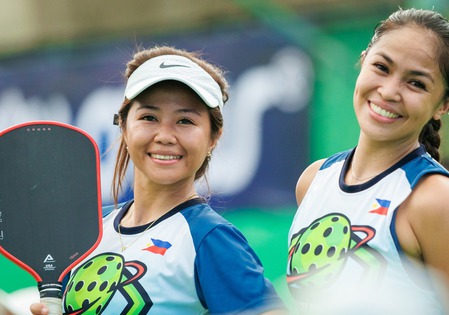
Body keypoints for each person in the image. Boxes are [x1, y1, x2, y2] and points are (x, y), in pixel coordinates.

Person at [30, 46, 287, 315]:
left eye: (185, 120)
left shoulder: (210, 239)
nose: (165, 135)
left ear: (214, 137)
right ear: (124, 126)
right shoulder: (87, 233)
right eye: (149, 117)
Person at [286, 8, 449, 315]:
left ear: (444, 105)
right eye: (381, 67)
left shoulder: (435, 199)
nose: (389, 91)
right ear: (362, 61)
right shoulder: (313, 180)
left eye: (416, 83)